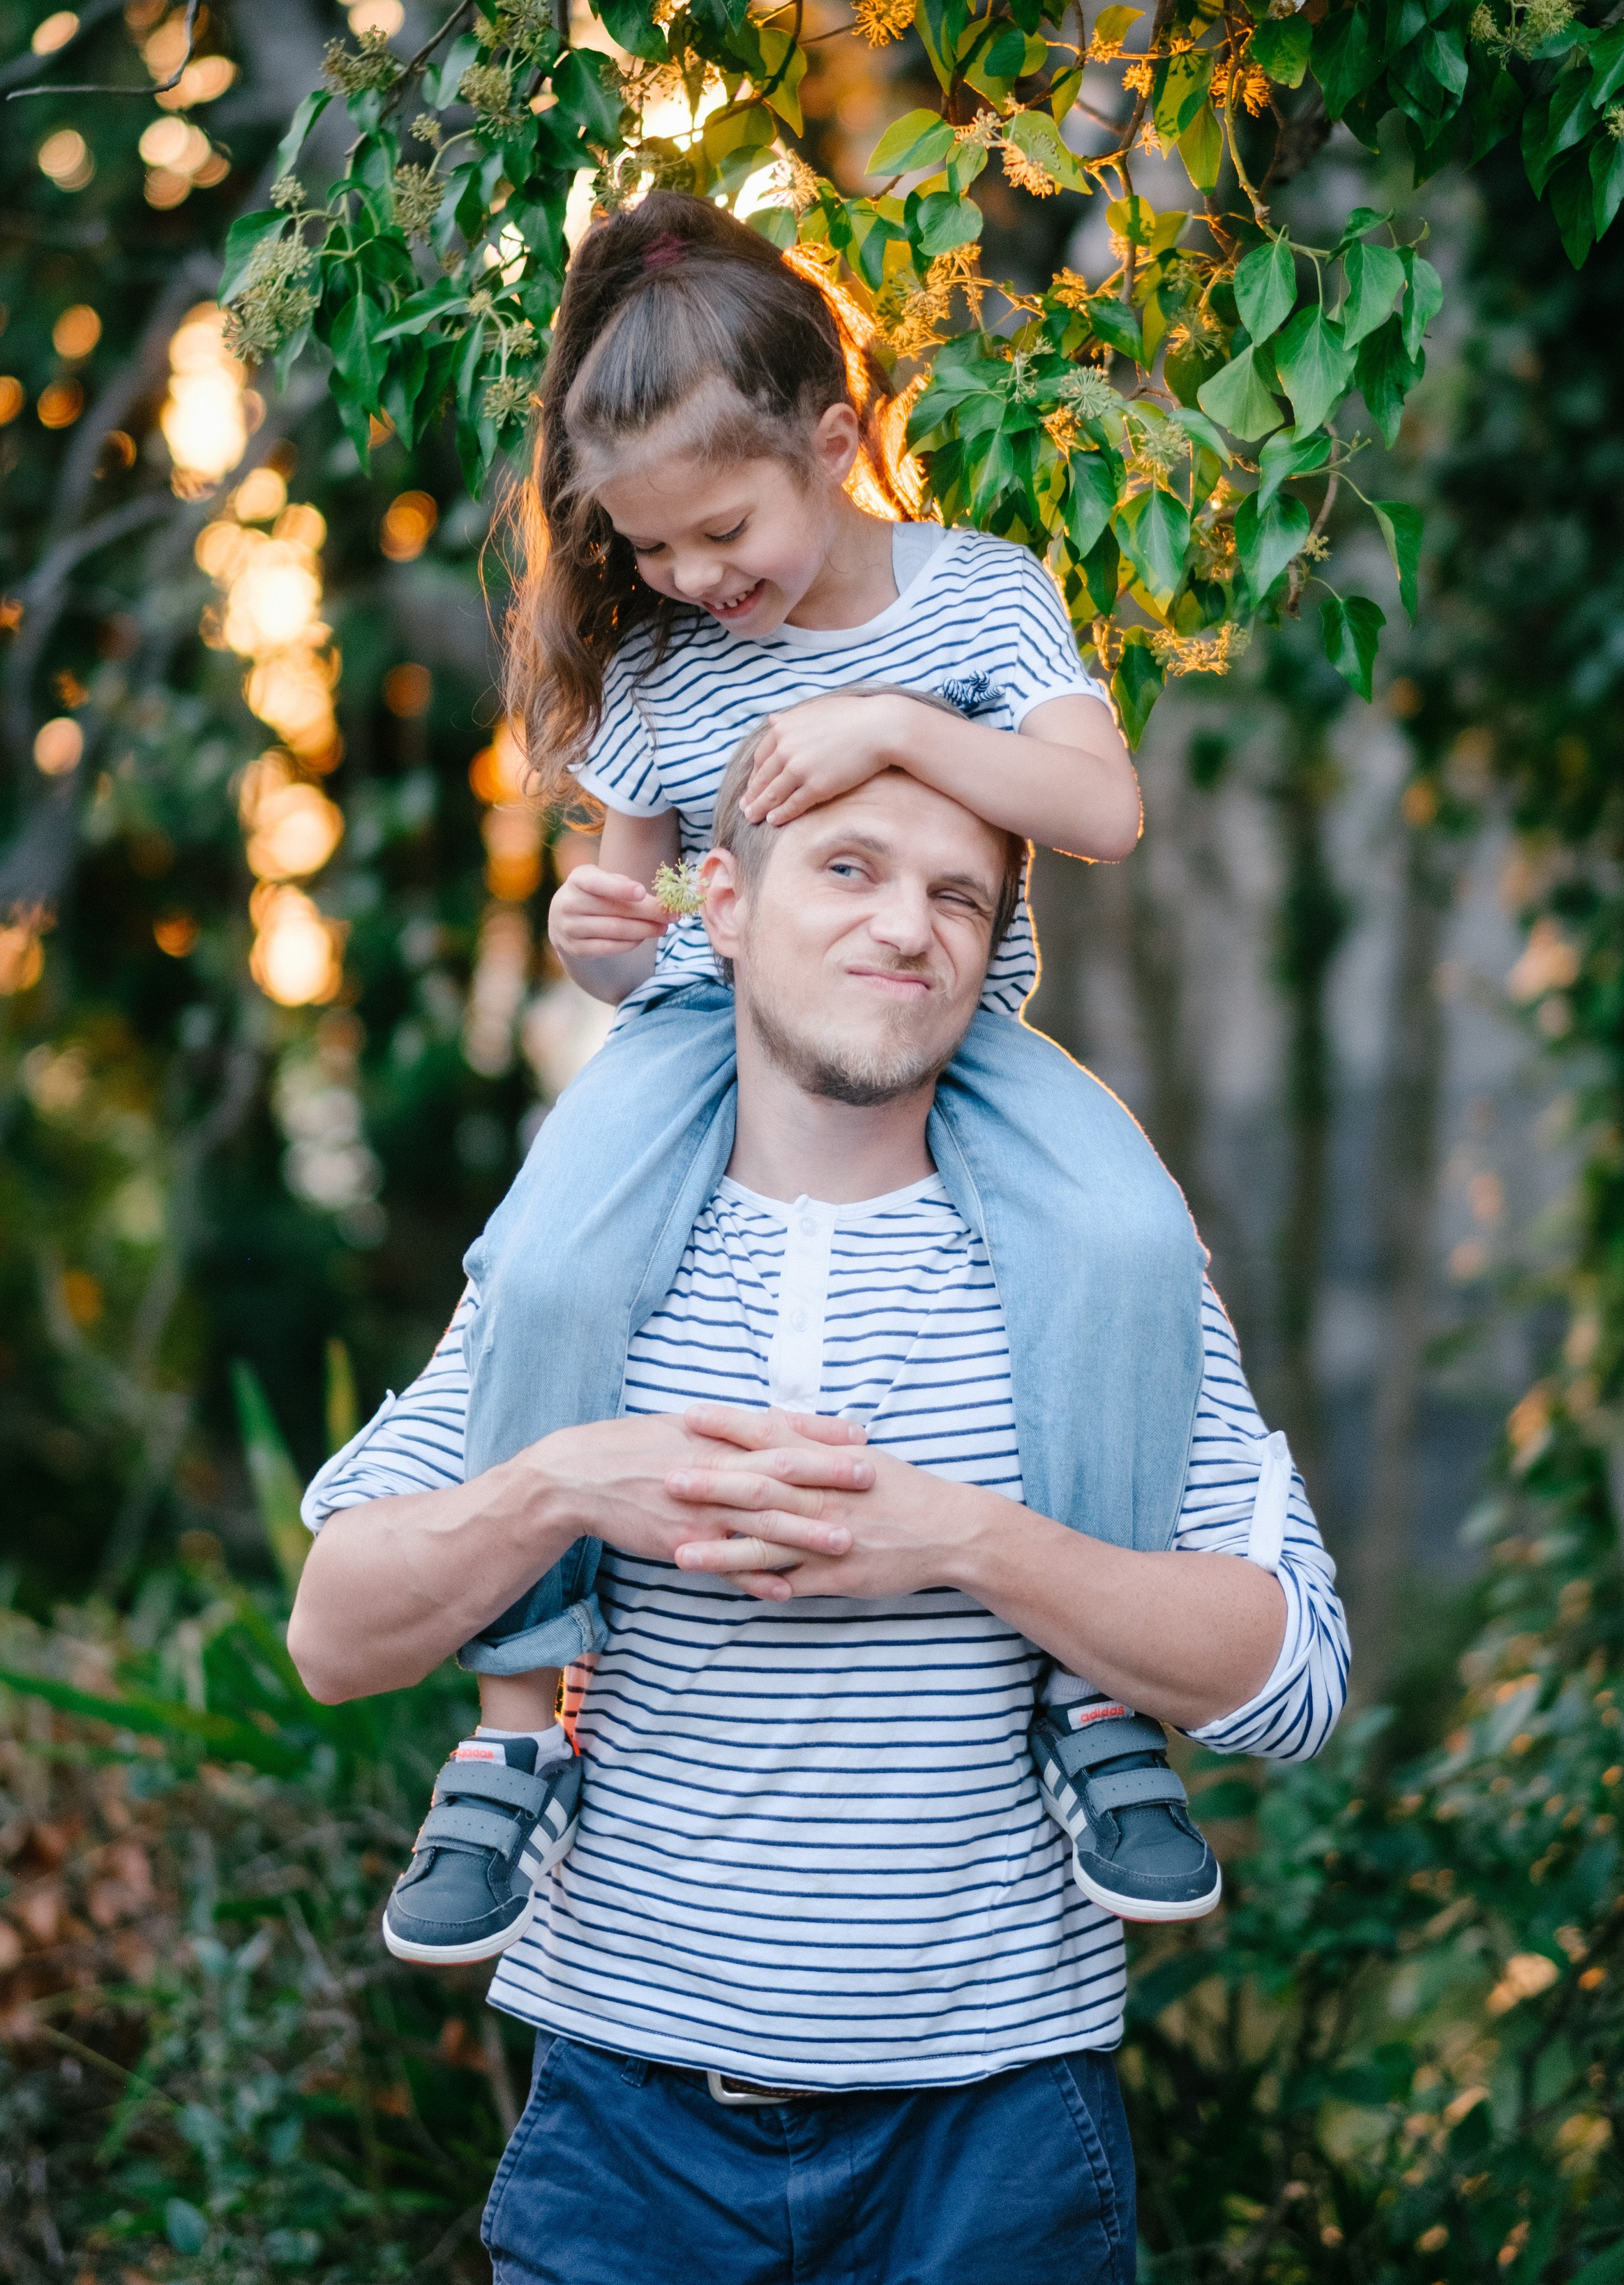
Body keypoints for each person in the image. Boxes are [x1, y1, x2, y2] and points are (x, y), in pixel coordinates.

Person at [288, 749, 1348, 2285]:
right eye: (850, 869)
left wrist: (963, 1543)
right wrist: (571, 1483)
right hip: (625, 2134)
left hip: (993, 2145)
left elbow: (1295, 1677)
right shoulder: (582, 1265)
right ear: (720, 900)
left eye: (957, 898)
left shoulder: (1094, 1275)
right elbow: (333, 1632)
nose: (907, 927)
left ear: (992, 955)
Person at [383, 192, 1226, 1948]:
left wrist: (898, 728)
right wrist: (598, 941)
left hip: (954, 1034)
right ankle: (516, 1727)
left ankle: (1093, 1701)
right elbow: (624, 911)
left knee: (1128, 1250)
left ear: (832, 443)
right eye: (652, 549)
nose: (692, 578)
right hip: (709, 1039)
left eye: (719, 528)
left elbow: (1104, 810)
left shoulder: (977, 597)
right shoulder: (671, 667)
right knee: (544, 1262)